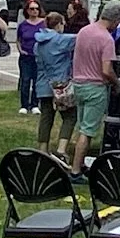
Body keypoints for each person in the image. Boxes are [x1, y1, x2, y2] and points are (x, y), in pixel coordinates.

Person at [67, 0, 120, 173]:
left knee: (82, 127)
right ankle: (76, 171)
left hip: (78, 85)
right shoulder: (106, 39)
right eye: (119, 22)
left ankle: (79, 162)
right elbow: (106, 70)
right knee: (88, 131)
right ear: (115, 20)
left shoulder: (84, 31)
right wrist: (117, 84)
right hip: (95, 88)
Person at [32, 11, 78, 154]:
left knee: (46, 117)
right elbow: (81, 38)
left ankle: (42, 149)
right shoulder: (61, 40)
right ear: (59, 24)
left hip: (42, 84)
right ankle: (61, 149)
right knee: (70, 116)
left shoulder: (38, 43)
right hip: (60, 85)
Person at [15, 0, 44, 115]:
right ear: (27, 10)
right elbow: (18, 39)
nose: (34, 11)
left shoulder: (43, 24)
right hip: (26, 57)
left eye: (36, 9)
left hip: (39, 57)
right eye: (32, 9)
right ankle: (24, 105)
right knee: (25, 80)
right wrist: (20, 50)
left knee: (37, 81)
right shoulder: (23, 25)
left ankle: (35, 104)